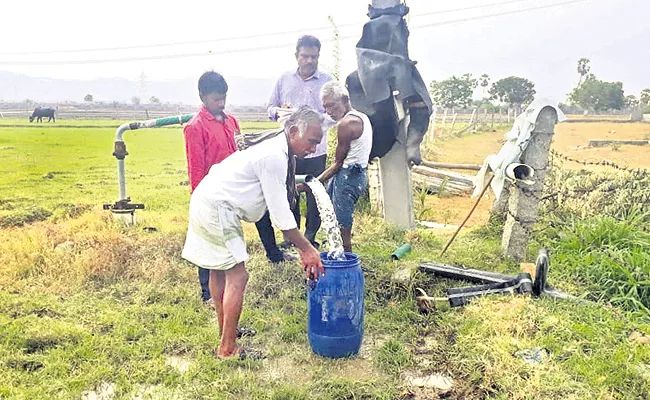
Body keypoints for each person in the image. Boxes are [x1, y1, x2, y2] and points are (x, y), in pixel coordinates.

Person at [181, 106, 325, 359]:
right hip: (217, 208)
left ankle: (227, 332)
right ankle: (227, 348)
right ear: (293, 132)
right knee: (238, 276)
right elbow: (282, 217)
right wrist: (308, 249)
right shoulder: (273, 156)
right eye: (312, 142)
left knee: (219, 269)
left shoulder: (276, 149)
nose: (313, 149)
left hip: (207, 200)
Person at [259, 35, 334, 251]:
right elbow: (270, 109)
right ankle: (292, 235)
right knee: (288, 191)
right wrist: (281, 111)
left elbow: (333, 115)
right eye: (305, 56)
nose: (310, 60)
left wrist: (312, 121)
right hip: (289, 149)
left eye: (314, 56)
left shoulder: (327, 81)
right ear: (297, 56)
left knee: (314, 192)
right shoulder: (284, 79)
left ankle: (310, 235)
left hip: (315, 149)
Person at [182, 71, 239, 305]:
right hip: (210, 194)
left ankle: (225, 286)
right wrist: (199, 199)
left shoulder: (231, 121)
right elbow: (196, 167)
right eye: (216, 99)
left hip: (232, 191)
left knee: (228, 240)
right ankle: (207, 293)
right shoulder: (195, 127)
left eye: (224, 97)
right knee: (208, 242)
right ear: (203, 97)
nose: (221, 103)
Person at [317, 81, 373, 252]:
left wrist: (313, 182)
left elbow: (337, 164)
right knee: (334, 218)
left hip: (348, 176)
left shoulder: (346, 124)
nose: (329, 111)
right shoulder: (362, 117)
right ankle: (336, 253)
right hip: (357, 174)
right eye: (325, 107)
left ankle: (346, 264)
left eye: (332, 105)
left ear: (345, 98)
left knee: (342, 225)